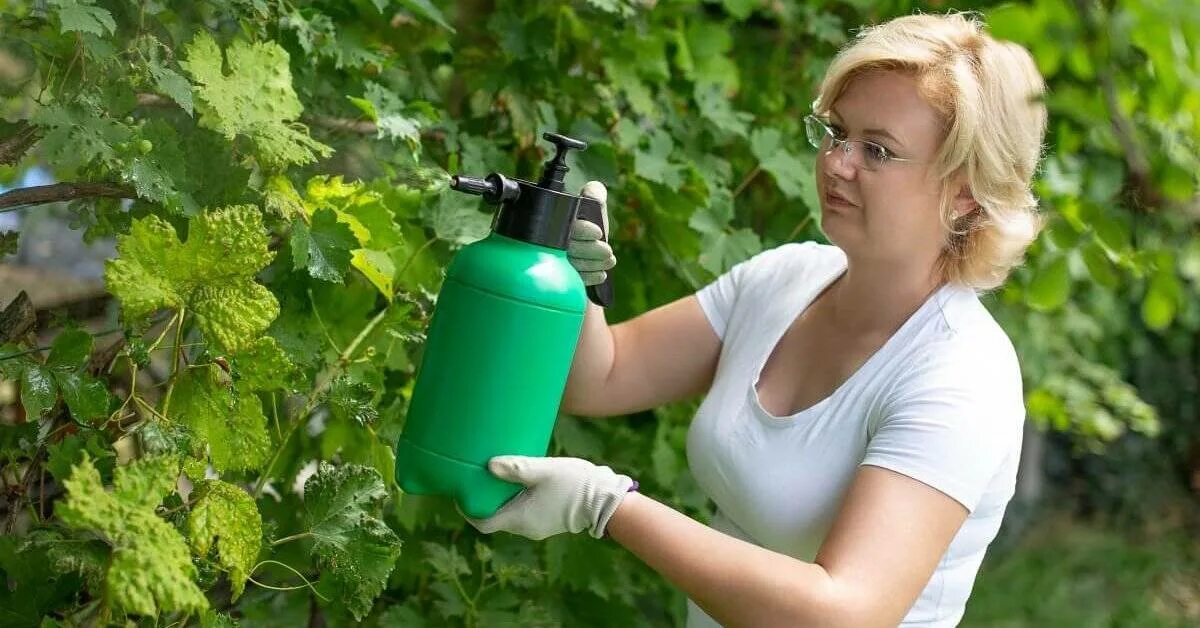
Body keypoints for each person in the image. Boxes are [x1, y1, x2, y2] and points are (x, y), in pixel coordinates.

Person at [463, 11, 1048, 627]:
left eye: (877, 150)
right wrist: (573, 281)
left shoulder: (960, 375)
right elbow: (600, 380)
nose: (837, 162)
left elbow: (845, 612)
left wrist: (610, 507)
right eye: (836, 132)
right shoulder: (785, 279)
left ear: (963, 191)